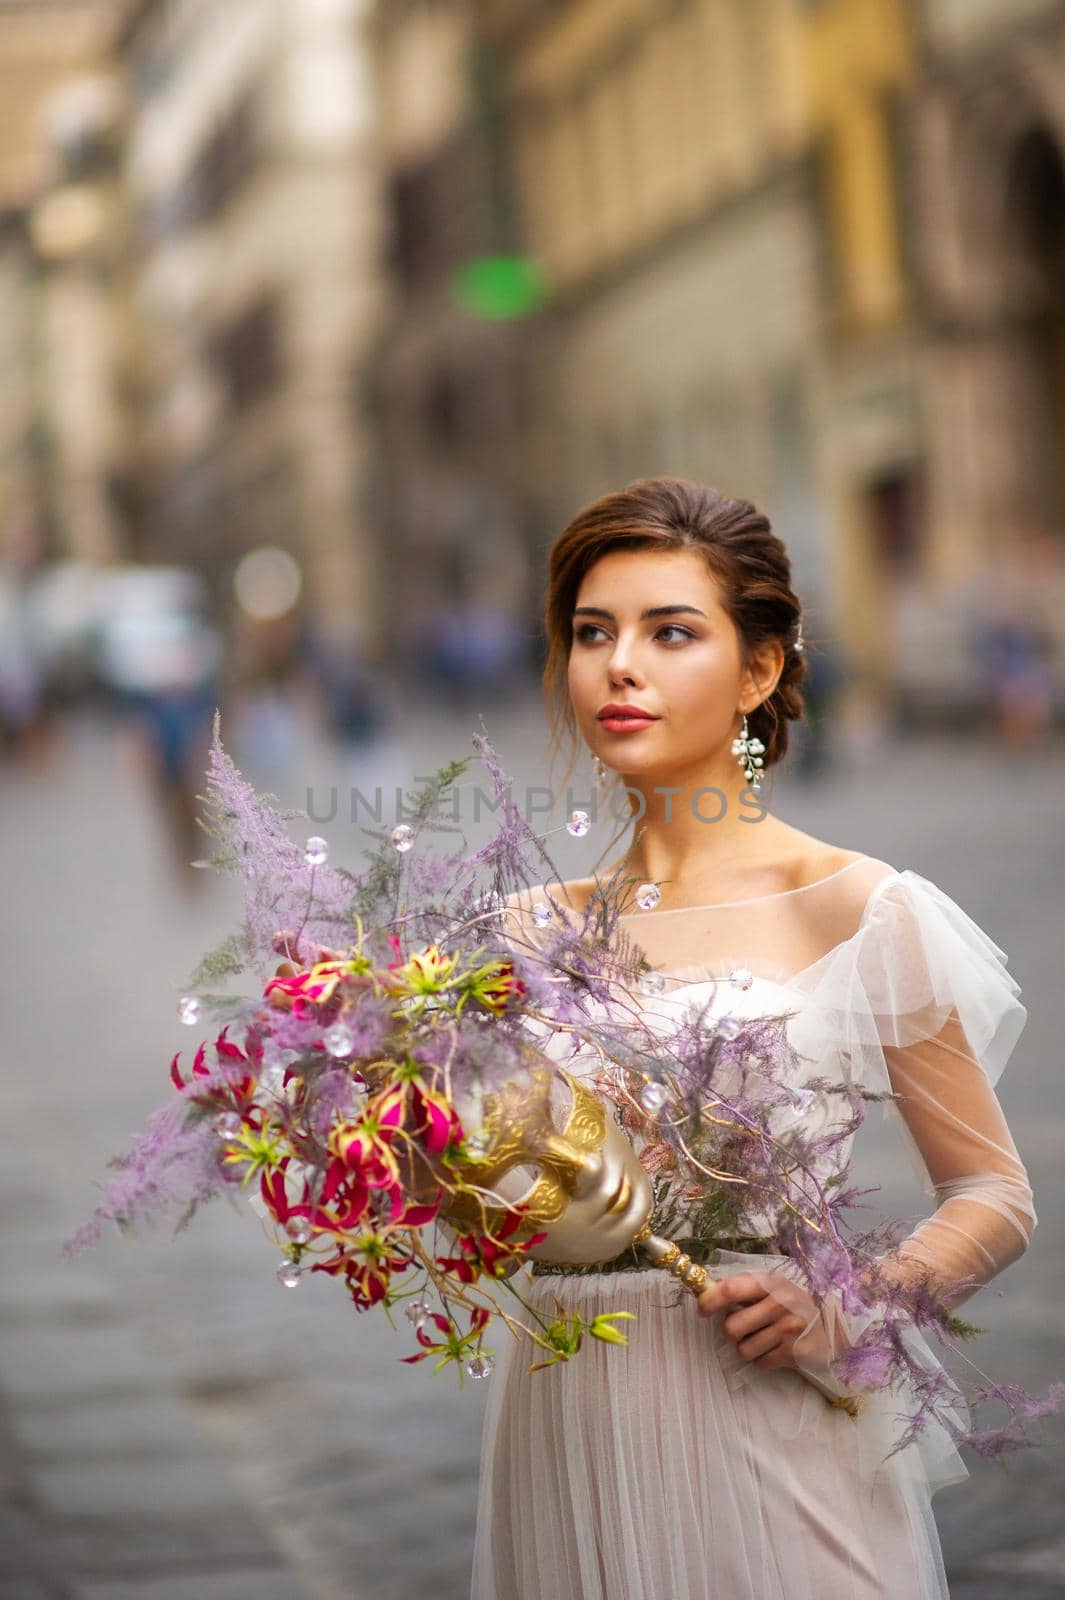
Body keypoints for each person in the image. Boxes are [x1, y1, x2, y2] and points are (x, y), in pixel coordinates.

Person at [468, 478, 1037, 1600]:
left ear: (760, 669)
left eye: (670, 631)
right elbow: (498, 1197)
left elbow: (993, 1189)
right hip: (565, 1416)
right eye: (592, 633)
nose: (619, 665)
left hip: (768, 1406)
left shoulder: (855, 905)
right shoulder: (521, 932)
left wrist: (849, 1303)